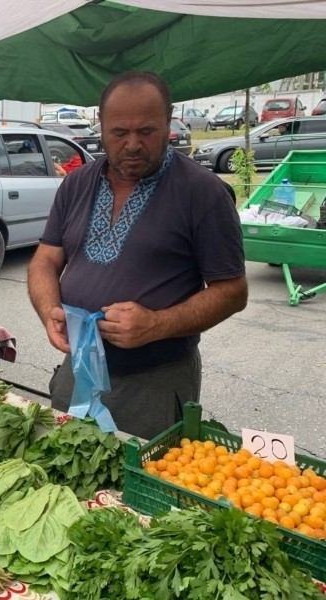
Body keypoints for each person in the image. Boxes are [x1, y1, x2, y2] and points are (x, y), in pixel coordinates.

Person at [27, 71, 248, 440]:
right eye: (119, 132)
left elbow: (233, 291)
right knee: (60, 476)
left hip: (155, 384)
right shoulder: (77, 184)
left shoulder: (203, 193)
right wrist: (49, 312)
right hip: (78, 372)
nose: (132, 145)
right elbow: (45, 260)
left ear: (168, 120)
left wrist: (156, 324)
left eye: (146, 131)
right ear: (101, 125)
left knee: (136, 491)